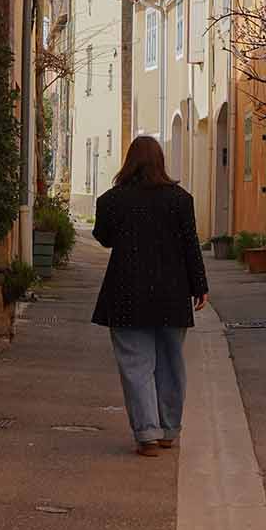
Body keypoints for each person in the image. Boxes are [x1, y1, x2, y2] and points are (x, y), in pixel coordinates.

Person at [92, 135, 209, 456]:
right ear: (160, 162)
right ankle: (169, 429)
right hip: (172, 293)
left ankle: (147, 433)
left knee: (136, 364)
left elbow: (103, 237)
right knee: (171, 363)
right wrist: (200, 285)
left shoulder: (112, 200)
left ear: (129, 162)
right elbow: (190, 245)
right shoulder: (180, 199)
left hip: (127, 292)